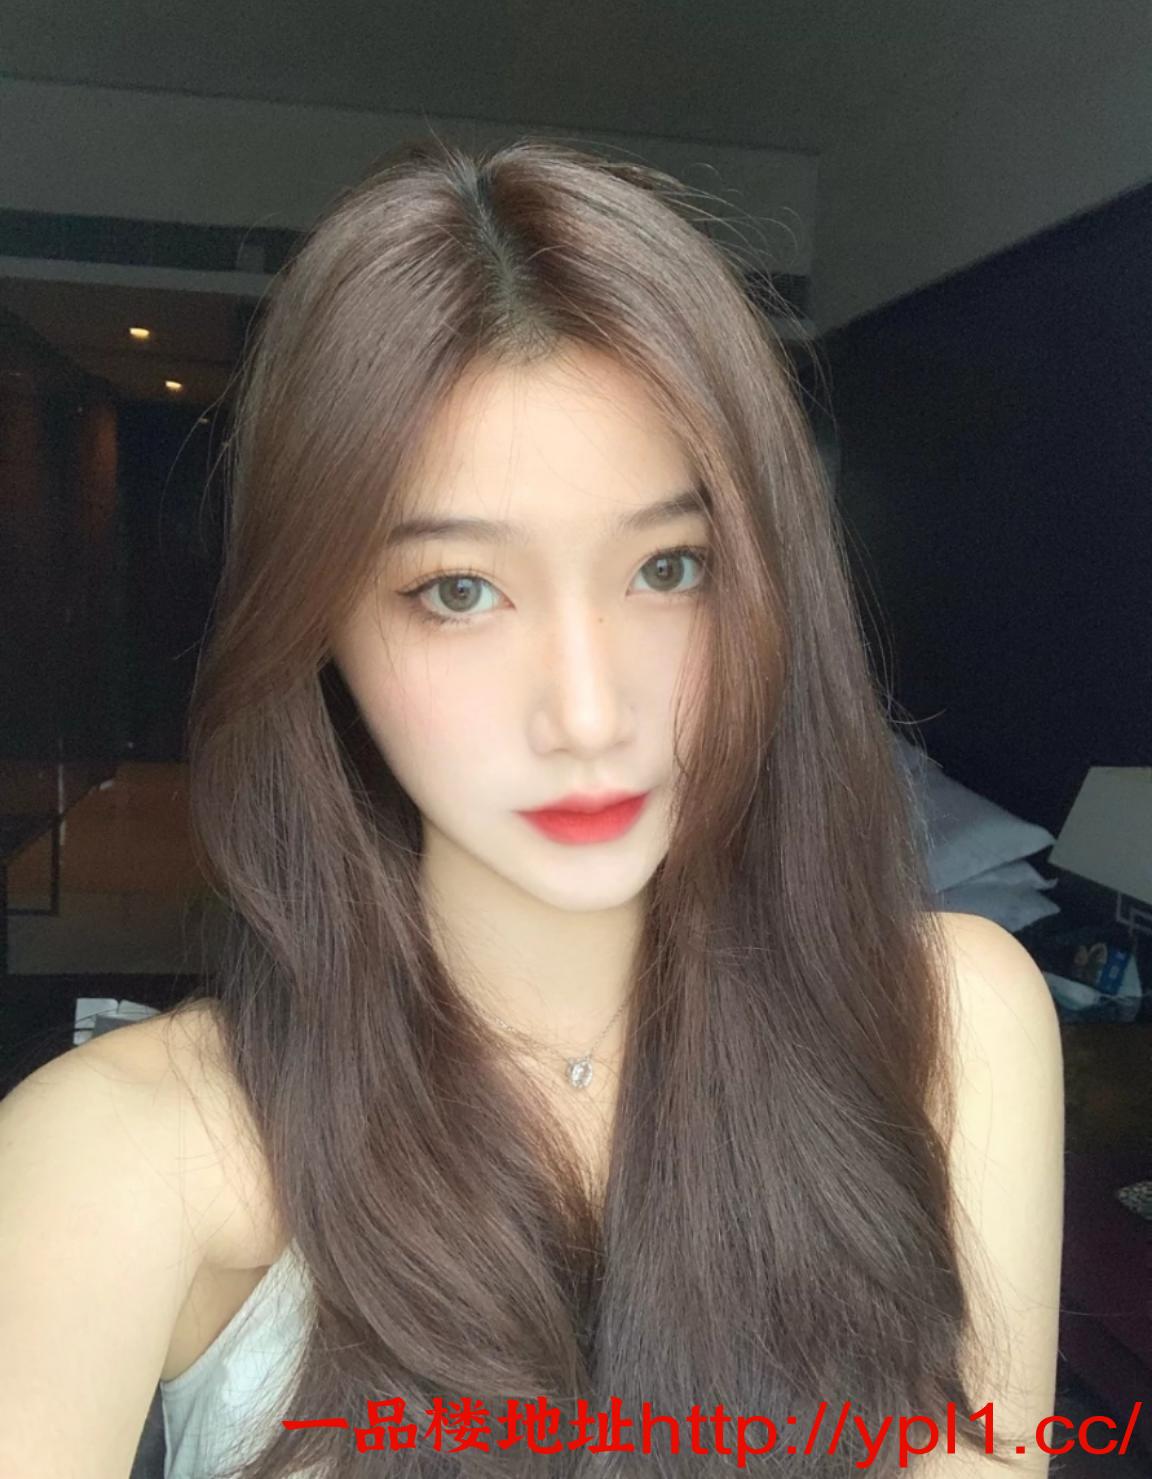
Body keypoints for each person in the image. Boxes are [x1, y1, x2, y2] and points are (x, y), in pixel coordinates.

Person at [0, 137, 1063, 1479]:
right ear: (317, 621)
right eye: (459, 591)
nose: (589, 713)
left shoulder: (952, 1027)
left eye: (670, 567)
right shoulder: (125, 1153)